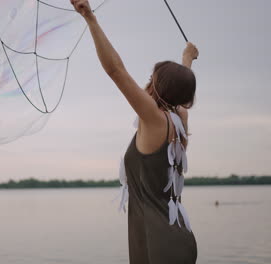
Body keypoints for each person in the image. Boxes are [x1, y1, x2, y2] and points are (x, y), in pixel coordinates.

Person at [70, 0, 199, 263]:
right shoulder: (179, 119)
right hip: (176, 240)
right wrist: (186, 60)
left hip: (160, 247)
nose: (146, 82)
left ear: (156, 85)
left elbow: (116, 71)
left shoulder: (152, 119)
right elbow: (179, 90)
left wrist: (90, 18)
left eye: (152, 78)